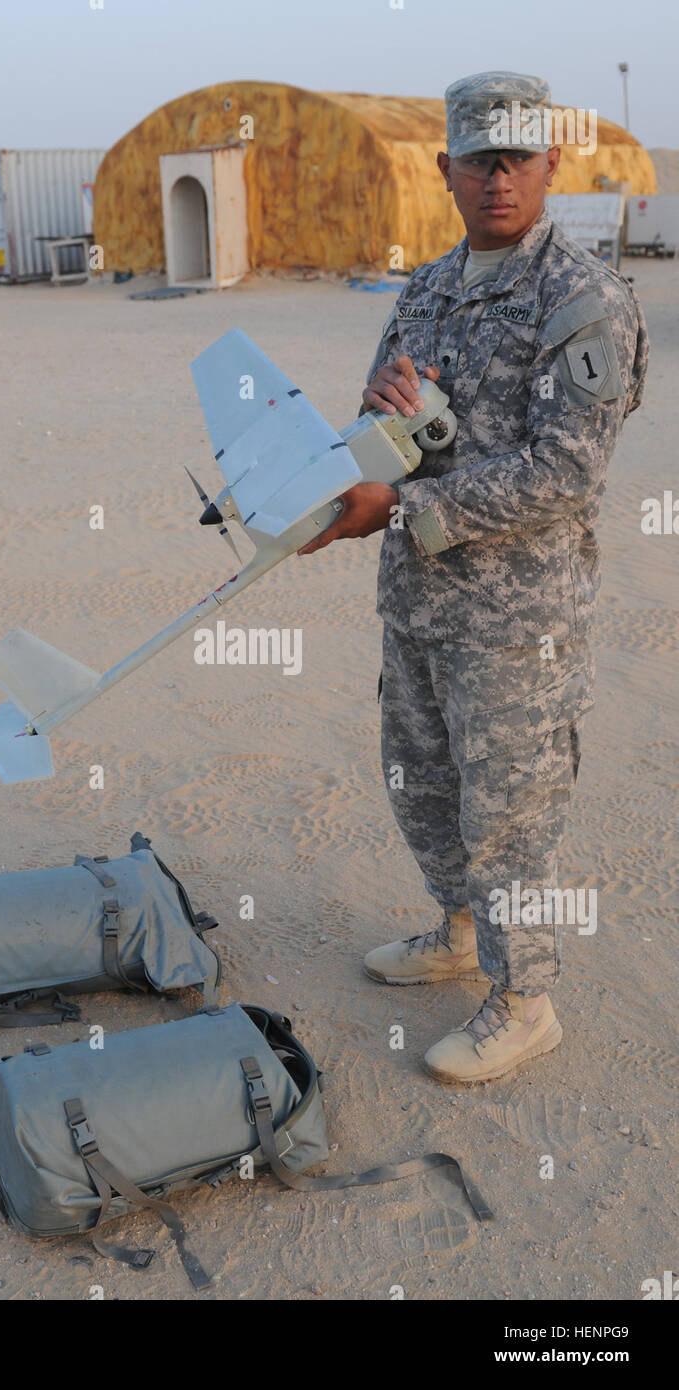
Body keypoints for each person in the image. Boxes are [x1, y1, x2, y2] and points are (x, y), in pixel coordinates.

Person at [299, 72, 649, 1085]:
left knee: (507, 814)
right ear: (442, 169)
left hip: (516, 619)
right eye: (476, 159)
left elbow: (564, 470)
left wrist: (401, 506)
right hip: (416, 601)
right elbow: (386, 423)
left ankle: (522, 998)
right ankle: (456, 932)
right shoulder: (425, 288)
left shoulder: (581, 297)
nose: (496, 176)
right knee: (423, 785)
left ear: (547, 165)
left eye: (515, 158)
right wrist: (362, 445)